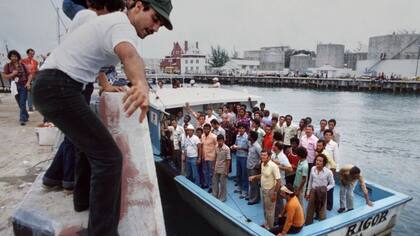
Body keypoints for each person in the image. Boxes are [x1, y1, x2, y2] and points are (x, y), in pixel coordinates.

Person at [32, 0, 173, 235]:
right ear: (138, 6)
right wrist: (141, 84)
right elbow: (129, 55)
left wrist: (104, 84)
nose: (156, 28)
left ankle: (82, 202)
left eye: (161, 24)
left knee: (88, 147)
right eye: (155, 19)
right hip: (59, 87)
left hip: (56, 85)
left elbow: (88, 52)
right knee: (109, 159)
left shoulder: (108, 23)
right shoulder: (123, 26)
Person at [42, 0, 125, 194]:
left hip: (72, 80)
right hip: (66, 80)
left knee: (75, 128)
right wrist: (104, 84)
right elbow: (94, 52)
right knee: (78, 132)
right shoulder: (89, 17)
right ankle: (69, 179)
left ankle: (54, 175)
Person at [249, 150, 281, 229]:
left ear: (269, 156)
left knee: (270, 211)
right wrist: (255, 177)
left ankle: (270, 229)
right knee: (265, 209)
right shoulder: (263, 164)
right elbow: (263, 175)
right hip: (263, 189)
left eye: (264, 155)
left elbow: (279, 181)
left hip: (270, 190)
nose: (262, 157)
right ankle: (266, 224)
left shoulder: (273, 166)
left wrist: (275, 193)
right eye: (262, 155)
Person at [2, 50, 31, 125]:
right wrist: (12, 74)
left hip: (23, 85)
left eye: (15, 56)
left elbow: (29, 74)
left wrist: (28, 83)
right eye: (12, 56)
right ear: (10, 57)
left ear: (18, 57)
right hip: (14, 85)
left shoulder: (23, 65)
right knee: (19, 103)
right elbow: (4, 76)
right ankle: (26, 115)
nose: (14, 58)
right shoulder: (7, 66)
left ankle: (22, 119)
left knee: (22, 102)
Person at [305, 154, 335, 225]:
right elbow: (310, 181)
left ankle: (321, 223)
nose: (317, 162)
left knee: (322, 208)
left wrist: (325, 189)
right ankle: (308, 222)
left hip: (322, 192)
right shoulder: (313, 169)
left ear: (324, 163)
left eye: (320, 161)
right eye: (317, 160)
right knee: (310, 207)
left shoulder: (328, 172)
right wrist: (308, 192)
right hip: (313, 190)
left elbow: (332, 184)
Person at [315, 139, 336, 211]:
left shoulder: (326, 154)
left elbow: (333, 164)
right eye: (317, 145)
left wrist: (331, 175)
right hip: (322, 173)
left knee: (329, 190)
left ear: (324, 146)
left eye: (320, 146)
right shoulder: (318, 152)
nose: (318, 147)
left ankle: (329, 206)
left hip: (327, 173)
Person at [231, 124, 249, 199]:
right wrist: (233, 146)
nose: (241, 130)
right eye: (240, 128)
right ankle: (239, 187)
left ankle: (245, 191)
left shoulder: (247, 137)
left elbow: (248, 148)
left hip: (244, 157)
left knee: (244, 174)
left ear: (245, 129)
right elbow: (235, 144)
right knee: (238, 173)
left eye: (242, 128)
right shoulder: (237, 136)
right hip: (238, 156)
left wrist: (239, 147)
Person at [212, 134, 231, 202]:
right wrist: (213, 166)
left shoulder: (227, 148)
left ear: (223, 140)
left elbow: (228, 160)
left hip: (223, 167)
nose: (220, 142)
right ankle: (214, 195)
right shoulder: (216, 147)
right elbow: (215, 157)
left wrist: (227, 170)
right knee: (215, 182)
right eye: (218, 141)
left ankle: (222, 198)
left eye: (221, 141)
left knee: (223, 184)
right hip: (217, 167)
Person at [201, 123, 217, 192]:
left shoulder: (214, 136)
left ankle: (211, 186)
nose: (206, 130)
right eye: (205, 129)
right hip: (204, 156)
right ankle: (206, 183)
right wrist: (202, 156)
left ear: (210, 129)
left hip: (211, 157)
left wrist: (216, 158)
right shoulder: (202, 136)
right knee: (205, 171)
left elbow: (217, 147)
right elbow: (202, 146)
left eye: (207, 129)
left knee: (211, 173)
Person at [247, 131, 261, 205]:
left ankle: (255, 199)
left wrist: (257, 165)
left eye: (249, 135)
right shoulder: (250, 144)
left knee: (254, 184)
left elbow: (261, 157)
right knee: (251, 183)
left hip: (253, 168)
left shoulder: (257, 146)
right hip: (249, 165)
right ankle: (251, 196)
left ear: (252, 137)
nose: (248, 136)